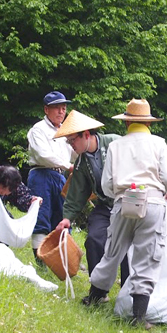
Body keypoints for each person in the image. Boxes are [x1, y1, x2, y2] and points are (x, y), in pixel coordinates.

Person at [82, 99, 167, 330]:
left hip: (124, 200)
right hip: (153, 201)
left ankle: (94, 297)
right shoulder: (159, 144)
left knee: (113, 250)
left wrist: (121, 193)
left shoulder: (115, 146)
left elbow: (106, 184)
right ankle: (138, 316)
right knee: (147, 255)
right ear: (148, 123)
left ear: (127, 123)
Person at [53, 110, 129, 290]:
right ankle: (98, 291)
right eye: (69, 142)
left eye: (73, 140)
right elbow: (76, 193)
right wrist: (66, 218)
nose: (71, 145)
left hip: (127, 204)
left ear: (86, 135)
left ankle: (128, 294)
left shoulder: (115, 142)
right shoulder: (81, 162)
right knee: (94, 239)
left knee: (129, 247)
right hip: (105, 205)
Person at [27, 91, 76, 263]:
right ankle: (40, 261)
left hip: (60, 176)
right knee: (41, 217)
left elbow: (75, 154)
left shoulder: (66, 132)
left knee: (63, 218)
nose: (61, 112)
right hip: (41, 175)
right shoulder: (38, 129)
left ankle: (64, 259)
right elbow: (42, 155)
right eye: (57, 108)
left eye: (63, 108)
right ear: (46, 109)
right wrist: (68, 166)